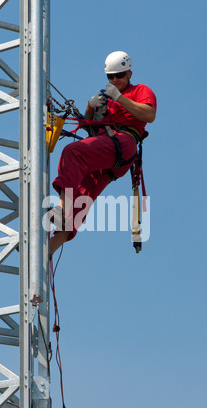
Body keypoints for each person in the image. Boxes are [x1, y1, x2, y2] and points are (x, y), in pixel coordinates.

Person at [48, 51, 157, 257]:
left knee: (73, 152)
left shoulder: (140, 90)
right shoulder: (107, 98)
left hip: (124, 143)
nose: (115, 80)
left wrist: (120, 99)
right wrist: (90, 106)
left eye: (120, 76)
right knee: (80, 200)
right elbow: (89, 128)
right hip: (105, 155)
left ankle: (61, 207)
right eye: (111, 77)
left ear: (129, 74)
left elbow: (149, 115)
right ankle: (47, 250)